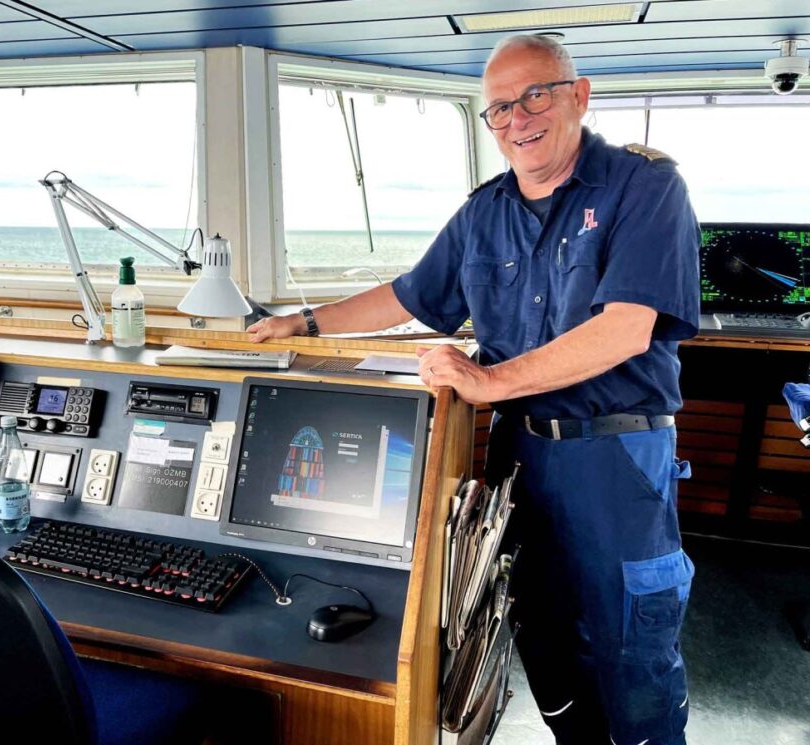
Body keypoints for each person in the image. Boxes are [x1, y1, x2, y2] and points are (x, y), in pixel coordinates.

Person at [249, 34, 699, 745]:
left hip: (614, 455)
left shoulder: (643, 188)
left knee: (631, 645)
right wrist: (300, 323)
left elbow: (625, 330)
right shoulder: (483, 212)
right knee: (537, 625)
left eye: (535, 95)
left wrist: (486, 378)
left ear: (578, 96)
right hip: (517, 453)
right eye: (497, 109)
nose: (517, 118)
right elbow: (407, 295)